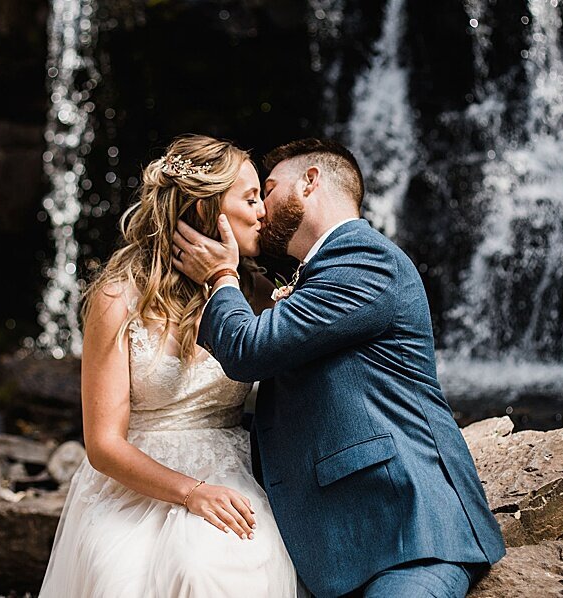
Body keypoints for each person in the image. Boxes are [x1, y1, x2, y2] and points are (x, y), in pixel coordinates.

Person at [169, 138, 507, 597]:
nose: (262, 210)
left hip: (411, 538)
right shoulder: (319, 272)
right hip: (343, 544)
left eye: (265, 191)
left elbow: (250, 351)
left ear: (310, 182)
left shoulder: (366, 260)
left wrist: (221, 276)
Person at [40, 134, 298, 596]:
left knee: (218, 570)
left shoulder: (258, 295)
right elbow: (102, 445)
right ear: (206, 210)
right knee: (124, 580)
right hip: (134, 479)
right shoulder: (117, 298)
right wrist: (192, 492)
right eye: (251, 197)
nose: (264, 211)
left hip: (231, 468)